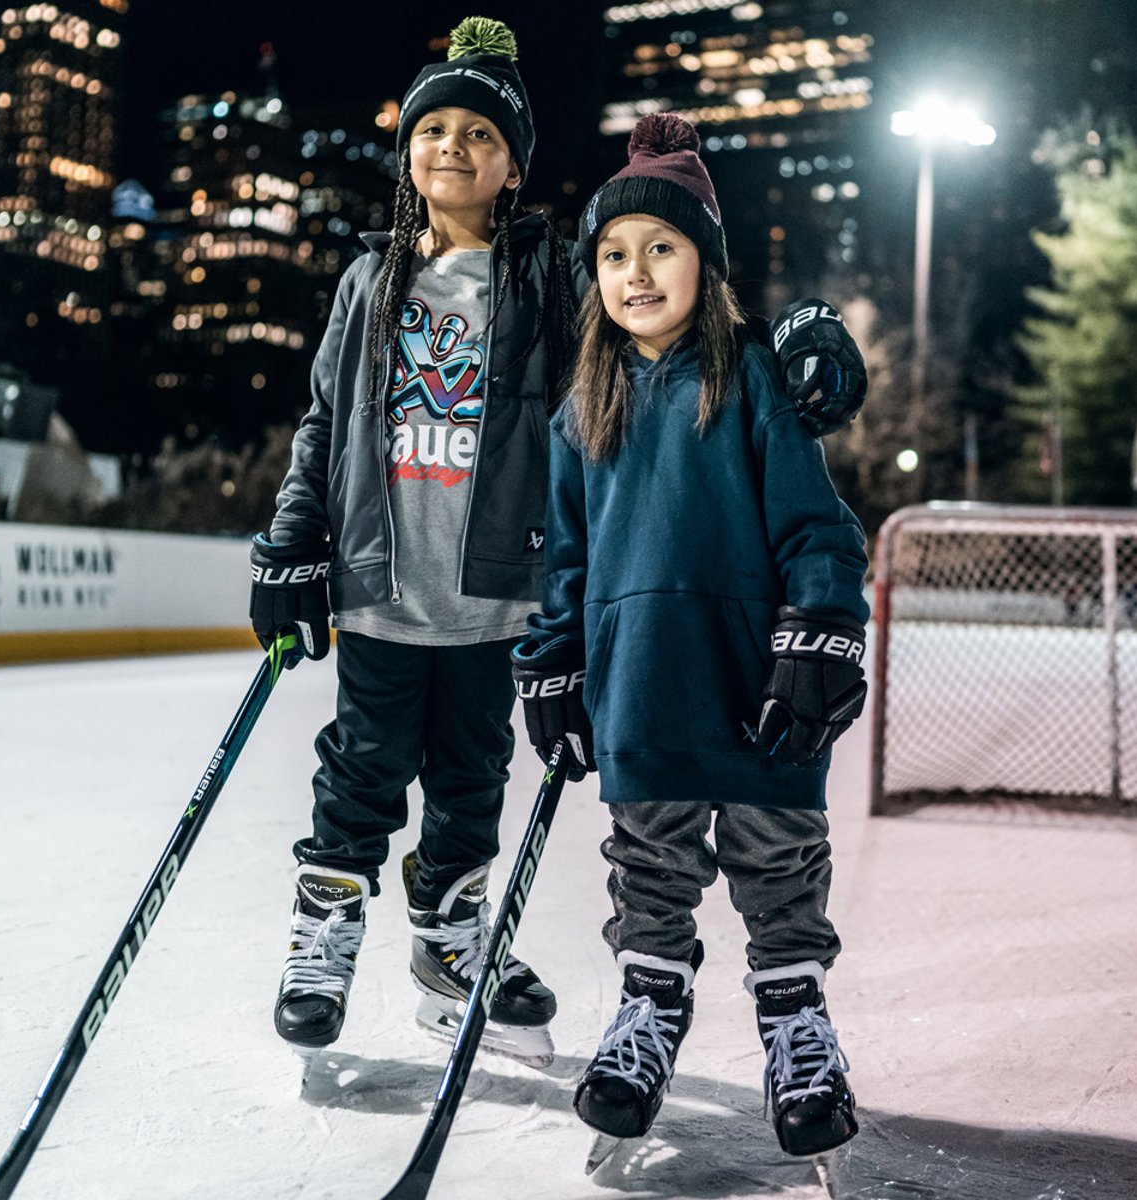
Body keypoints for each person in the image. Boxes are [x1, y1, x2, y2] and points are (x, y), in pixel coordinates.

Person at [511, 112, 869, 1159]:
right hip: (643, 686)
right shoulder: (580, 412)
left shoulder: (755, 379)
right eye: (614, 255)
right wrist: (550, 664)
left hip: (757, 683)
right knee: (650, 864)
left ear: (706, 263)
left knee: (777, 862)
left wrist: (820, 635)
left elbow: (819, 530)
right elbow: (564, 563)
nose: (635, 271)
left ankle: (797, 1023)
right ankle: (648, 1010)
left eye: (660, 247)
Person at [248, 16, 578, 1068]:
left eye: (479, 134)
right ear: (407, 154)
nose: (451, 147)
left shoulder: (546, 285)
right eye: (432, 128)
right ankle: (325, 939)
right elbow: (323, 422)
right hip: (383, 591)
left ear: (512, 165)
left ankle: (448, 946)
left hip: (495, 597)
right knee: (362, 771)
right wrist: (292, 545)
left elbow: (592, 415)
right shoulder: (367, 282)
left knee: (473, 778)